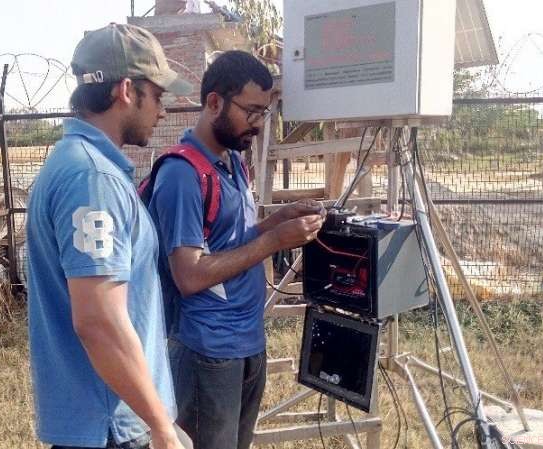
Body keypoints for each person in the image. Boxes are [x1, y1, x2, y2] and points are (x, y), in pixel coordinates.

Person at [145, 50, 325, 449]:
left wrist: (277, 221)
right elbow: (189, 275)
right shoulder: (182, 175)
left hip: (247, 341)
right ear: (214, 103)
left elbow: (230, 242)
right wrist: (273, 241)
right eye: (252, 112)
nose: (258, 124)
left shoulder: (232, 163)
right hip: (207, 350)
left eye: (264, 112)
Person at [25, 23, 193, 449]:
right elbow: (99, 321)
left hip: (106, 419)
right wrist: (160, 426)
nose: (163, 111)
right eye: (157, 95)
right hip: (112, 425)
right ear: (126, 90)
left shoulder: (76, 163)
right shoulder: (92, 179)